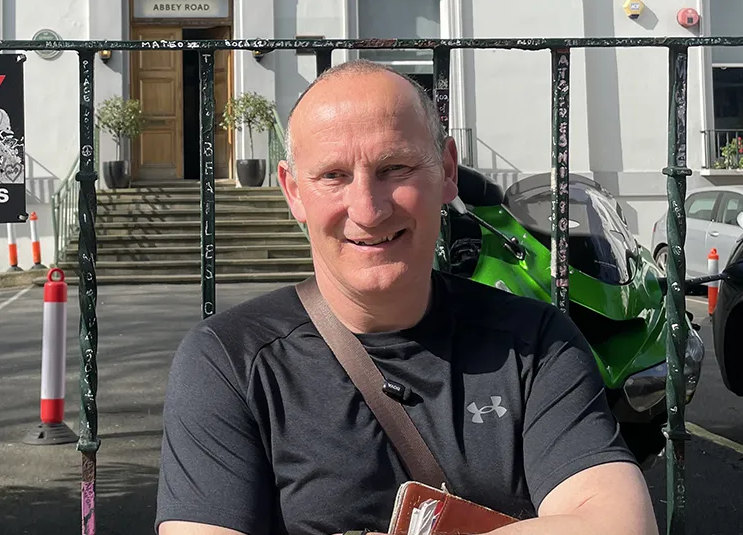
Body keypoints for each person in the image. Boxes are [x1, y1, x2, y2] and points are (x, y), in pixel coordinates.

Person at [154, 59, 659, 535]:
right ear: (292, 191)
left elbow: (617, 523)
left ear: (447, 170)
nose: (368, 210)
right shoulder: (230, 362)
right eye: (333, 176)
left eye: (395, 168)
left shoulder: (535, 344)